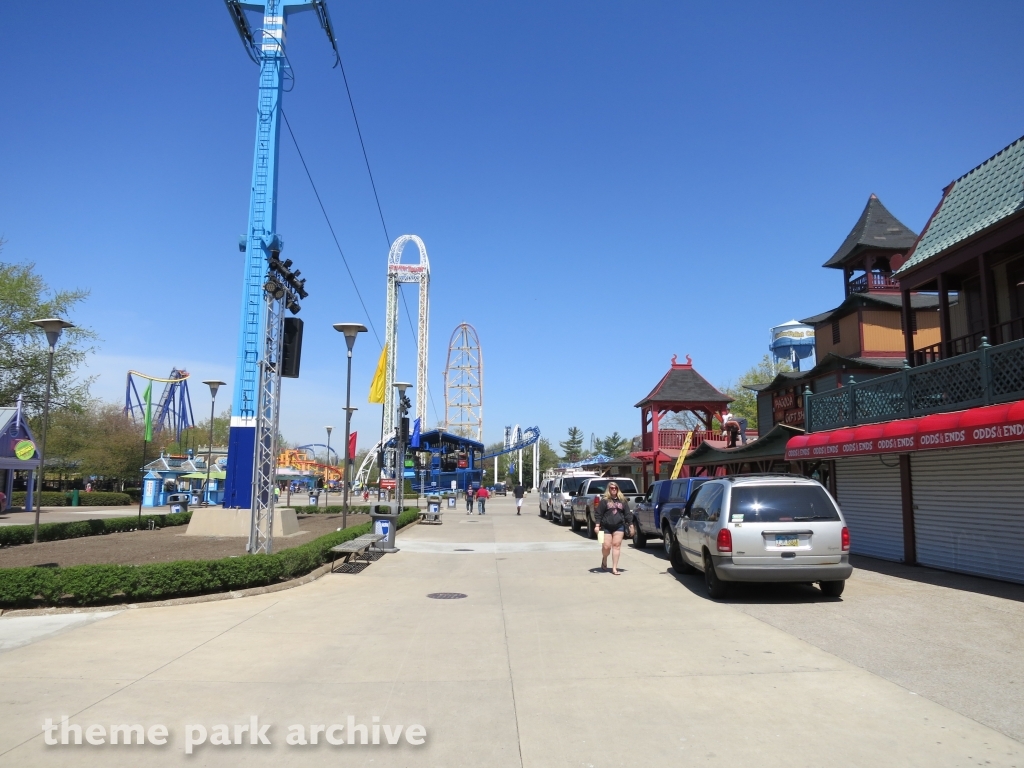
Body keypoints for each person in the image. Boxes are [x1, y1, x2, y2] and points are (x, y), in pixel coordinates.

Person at [593, 482, 634, 575]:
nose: (614, 489)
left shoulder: (622, 500)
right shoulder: (604, 501)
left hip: (619, 526)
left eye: (615, 488)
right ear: (609, 489)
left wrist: (631, 525)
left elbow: (627, 514)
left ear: (618, 489)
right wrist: (597, 525)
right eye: (612, 488)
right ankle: (604, 558)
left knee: (616, 546)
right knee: (606, 547)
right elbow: (598, 514)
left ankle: (614, 568)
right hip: (605, 526)